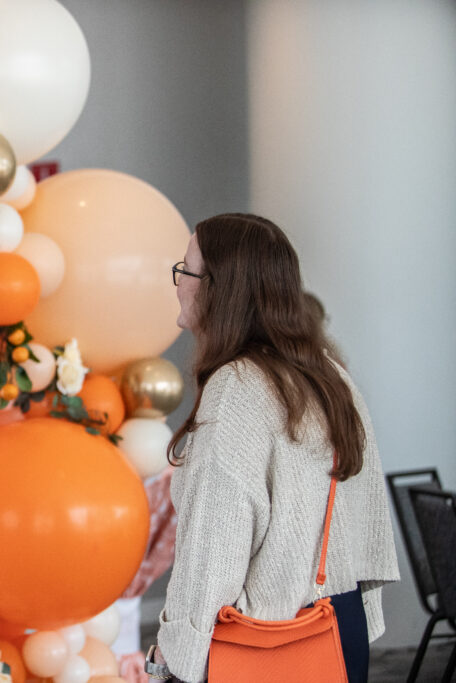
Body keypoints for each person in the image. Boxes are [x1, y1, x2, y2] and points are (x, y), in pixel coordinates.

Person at [149, 213, 399, 682]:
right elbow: (365, 516)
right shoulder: (330, 377)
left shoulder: (237, 387)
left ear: (220, 288)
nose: (178, 284)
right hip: (338, 630)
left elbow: (212, 549)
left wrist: (172, 654)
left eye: (185, 270)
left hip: (267, 639)